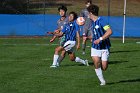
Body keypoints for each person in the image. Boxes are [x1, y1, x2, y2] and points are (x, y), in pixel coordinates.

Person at [87, 4, 112, 85]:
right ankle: (102, 81)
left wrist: (100, 39)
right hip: (95, 47)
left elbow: (109, 31)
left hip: (104, 47)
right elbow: (95, 34)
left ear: (91, 13)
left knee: (104, 67)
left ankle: (101, 66)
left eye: (88, 13)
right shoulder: (93, 22)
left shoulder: (102, 21)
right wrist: (88, 37)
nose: (87, 14)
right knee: (96, 62)